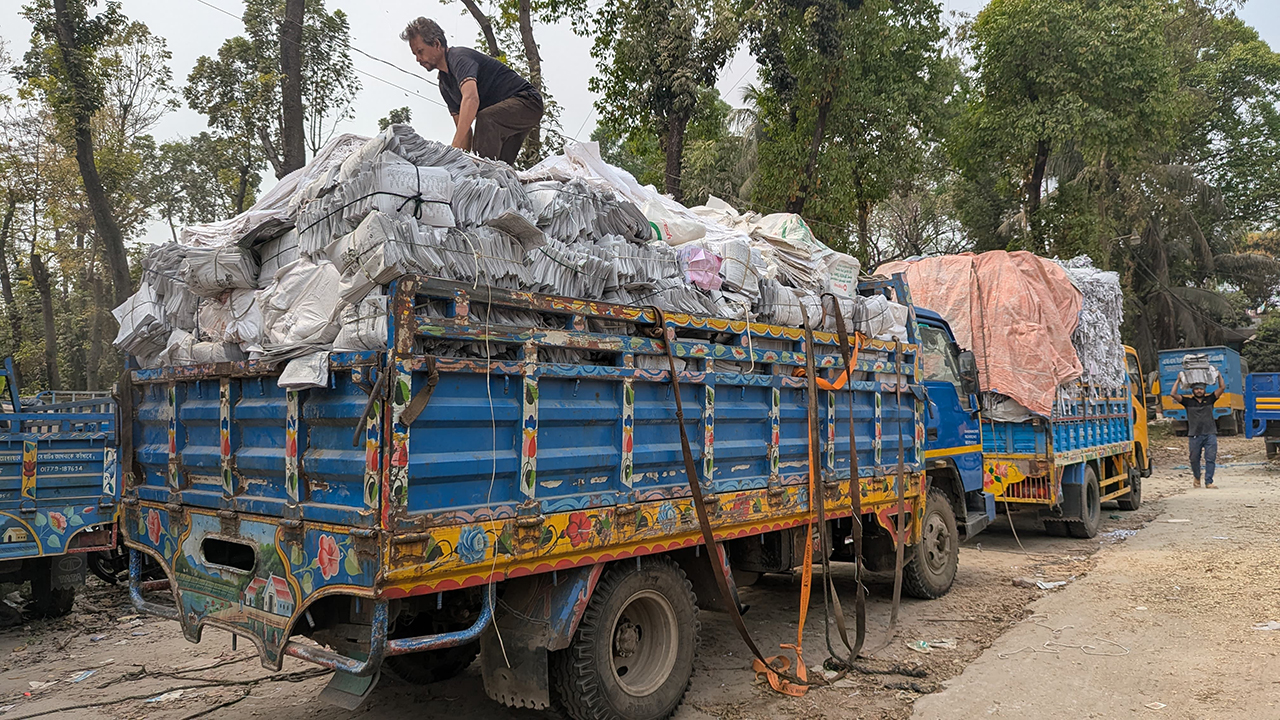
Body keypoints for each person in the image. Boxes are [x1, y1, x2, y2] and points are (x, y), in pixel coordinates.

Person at [400, 17, 544, 166]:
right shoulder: (445, 85)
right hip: (504, 119)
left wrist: (453, 148)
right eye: (415, 54)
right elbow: (465, 131)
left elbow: (471, 99)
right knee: (499, 168)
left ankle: (479, 176)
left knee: (485, 121)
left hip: (528, 102)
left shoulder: (459, 58)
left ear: (437, 44)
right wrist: (454, 164)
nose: (418, 59)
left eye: (420, 51)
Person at [1170, 367, 1225, 488]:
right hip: (1194, 435)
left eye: (1201, 389)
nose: (1199, 391)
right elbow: (1173, 394)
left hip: (1210, 433)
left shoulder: (1210, 399)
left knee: (1210, 458)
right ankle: (1196, 477)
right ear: (1193, 390)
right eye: (1197, 389)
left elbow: (1222, 388)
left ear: (1204, 389)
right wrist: (1178, 380)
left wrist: (1219, 375)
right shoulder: (1187, 402)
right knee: (1194, 459)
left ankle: (1209, 481)